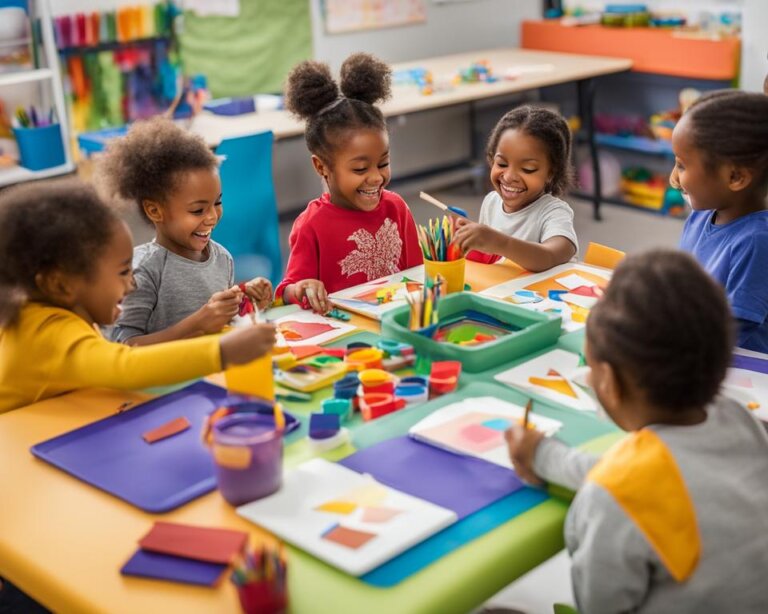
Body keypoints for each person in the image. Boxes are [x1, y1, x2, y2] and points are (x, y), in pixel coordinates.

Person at [506, 249, 768, 613]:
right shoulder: (739, 420)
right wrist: (544, 456)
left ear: (609, 383)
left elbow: (598, 605)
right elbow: (650, 480)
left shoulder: (613, 497)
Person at [0, 179, 275, 413]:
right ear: (60, 285)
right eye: (122, 272)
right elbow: (125, 365)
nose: (132, 285)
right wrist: (222, 351)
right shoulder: (48, 332)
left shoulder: (42, 316)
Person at [98, 118, 273, 345]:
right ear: (155, 210)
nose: (212, 216)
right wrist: (197, 324)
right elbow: (125, 347)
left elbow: (221, 327)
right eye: (198, 210)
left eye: (217, 203)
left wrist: (246, 302)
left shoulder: (222, 259)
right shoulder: (144, 270)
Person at [275, 53, 422, 313]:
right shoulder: (311, 226)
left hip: (398, 324)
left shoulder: (396, 208)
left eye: (383, 163)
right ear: (321, 167)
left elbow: (417, 276)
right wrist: (299, 289)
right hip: (345, 339)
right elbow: (288, 292)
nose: (376, 177)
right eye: (360, 168)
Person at [672, 90, 768, 352]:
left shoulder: (757, 241)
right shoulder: (701, 214)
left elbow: (733, 334)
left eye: (682, 165)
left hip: (737, 367)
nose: (676, 178)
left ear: (735, 177)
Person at [452, 106, 578, 271]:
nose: (510, 176)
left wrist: (497, 242)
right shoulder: (491, 202)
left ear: (551, 173)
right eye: (502, 164)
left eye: (527, 169)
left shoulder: (554, 212)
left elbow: (550, 256)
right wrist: (474, 239)